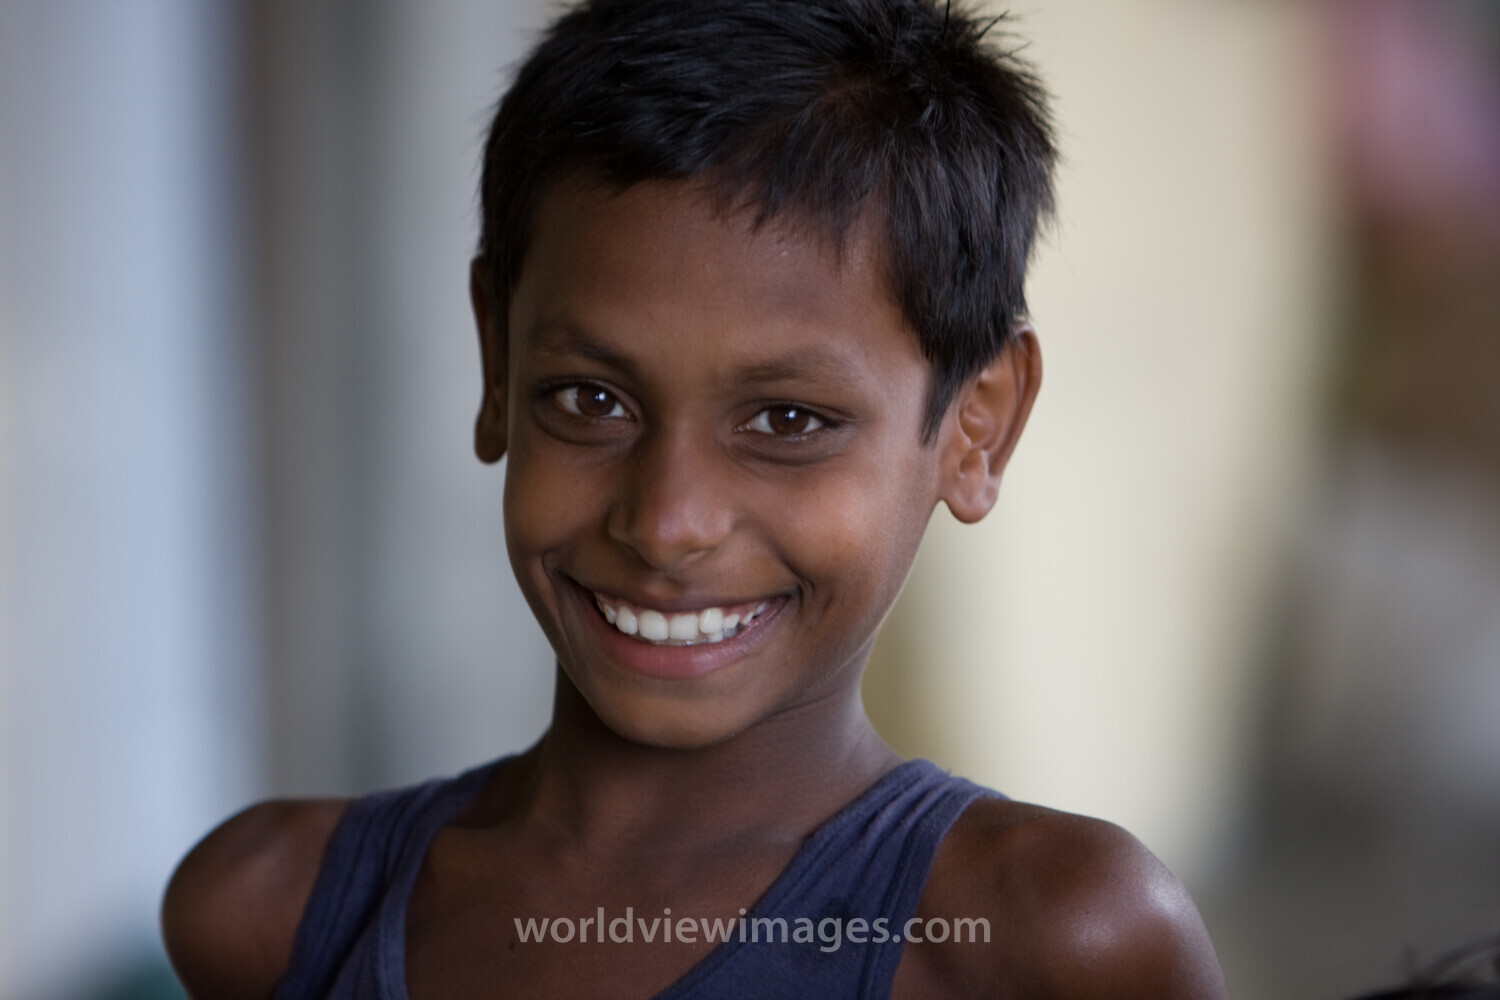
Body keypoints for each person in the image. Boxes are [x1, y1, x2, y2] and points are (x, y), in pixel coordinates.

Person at [161, 1, 1231, 996]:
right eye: (591, 399)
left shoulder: (1047, 939)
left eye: (787, 422)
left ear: (976, 425)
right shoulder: (275, 913)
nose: (666, 522)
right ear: (496, 361)